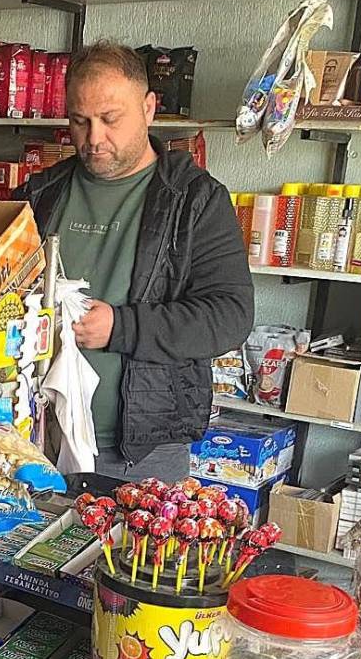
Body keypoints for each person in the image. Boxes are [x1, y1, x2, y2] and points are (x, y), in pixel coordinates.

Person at [16, 41, 253, 482]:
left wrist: (121, 327)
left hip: (140, 452)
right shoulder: (40, 193)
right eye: (80, 121)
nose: (93, 139)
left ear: (148, 108)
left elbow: (230, 317)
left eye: (110, 119)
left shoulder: (195, 200)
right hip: (34, 438)